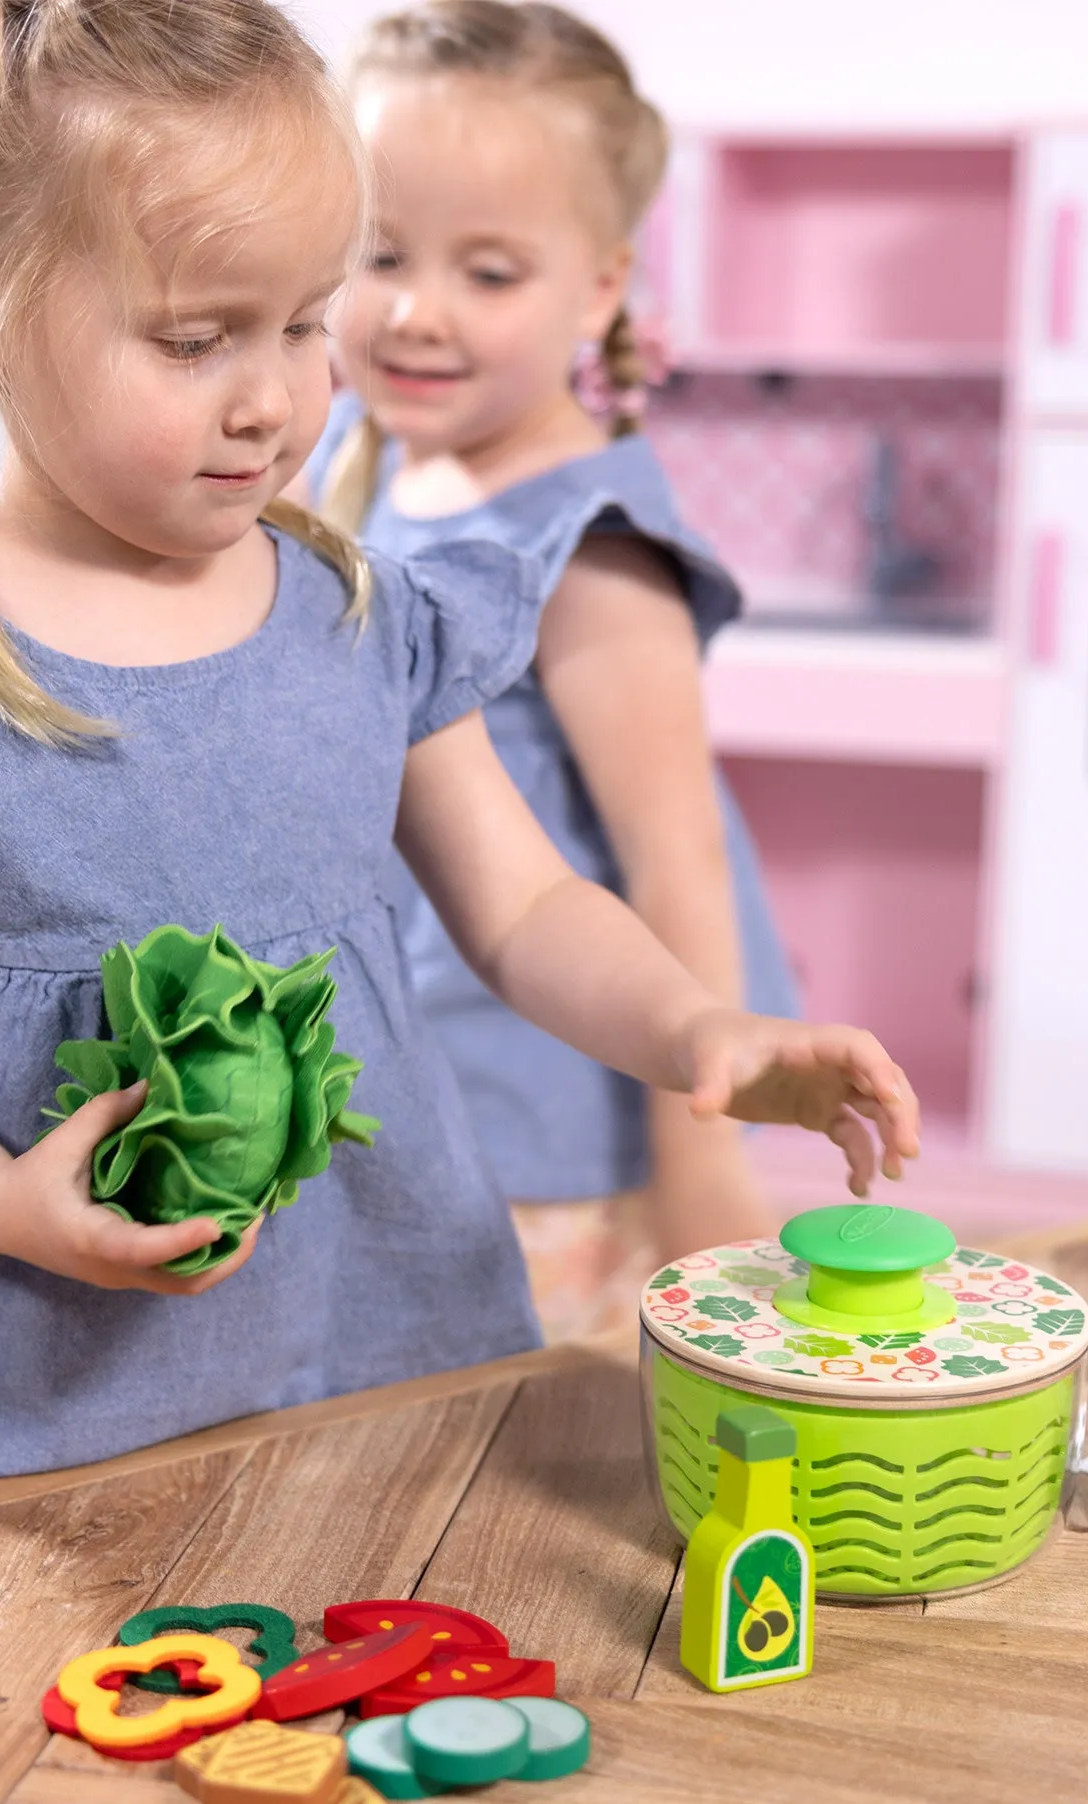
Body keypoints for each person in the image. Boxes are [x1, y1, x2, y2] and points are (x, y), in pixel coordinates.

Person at [0, 0, 918, 1525]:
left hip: (352, 1337)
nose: (273, 398)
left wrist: (700, 1030)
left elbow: (525, 908)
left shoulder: (367, 612)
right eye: (194, 338)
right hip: (8, 1391)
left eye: (302, 322)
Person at [314, 1, 799, 1338]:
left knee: (522, 1448)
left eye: (490, 271)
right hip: (407, 1067)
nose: (417, 312)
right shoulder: (356, 456)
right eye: (380, 254)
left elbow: (679, 860)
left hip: (547, 1123)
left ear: (598, 286)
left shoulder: (585, 550)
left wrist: (706, 1158)